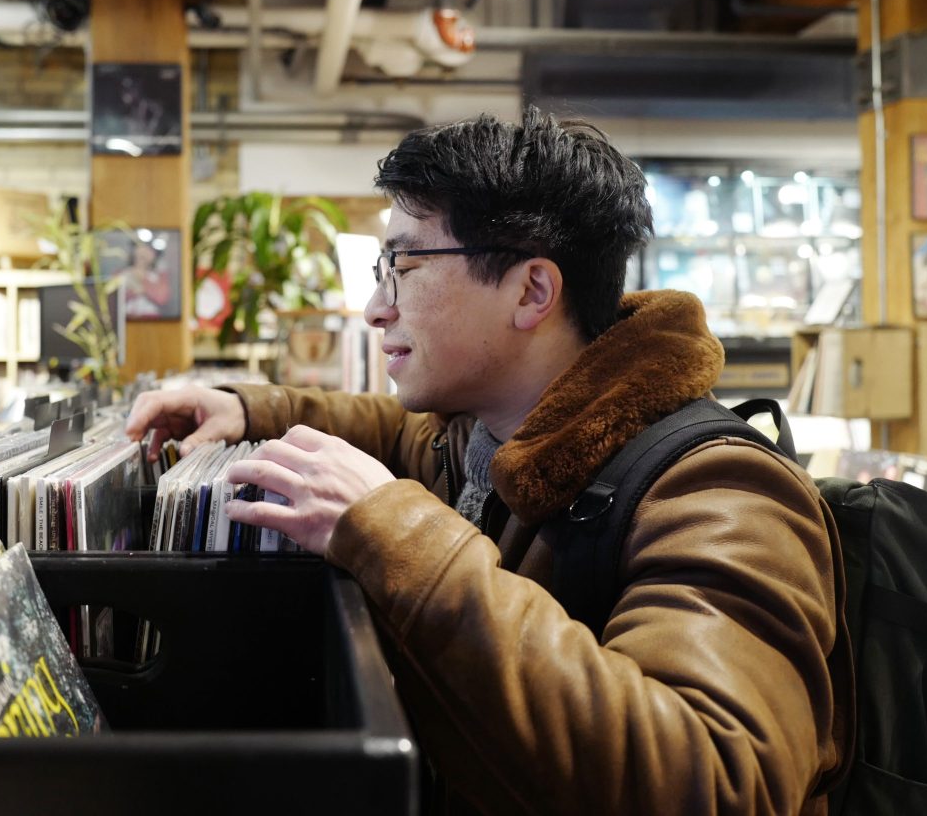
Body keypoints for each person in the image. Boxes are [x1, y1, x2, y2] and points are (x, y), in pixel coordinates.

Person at [126, 107, 852, 815]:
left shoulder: (722, 489)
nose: (376, 307)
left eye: (404, 266)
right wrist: (253, 410)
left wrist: (397, 533)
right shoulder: (481, 433)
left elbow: (720, 784)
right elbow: (389, 430)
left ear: (532, 289)